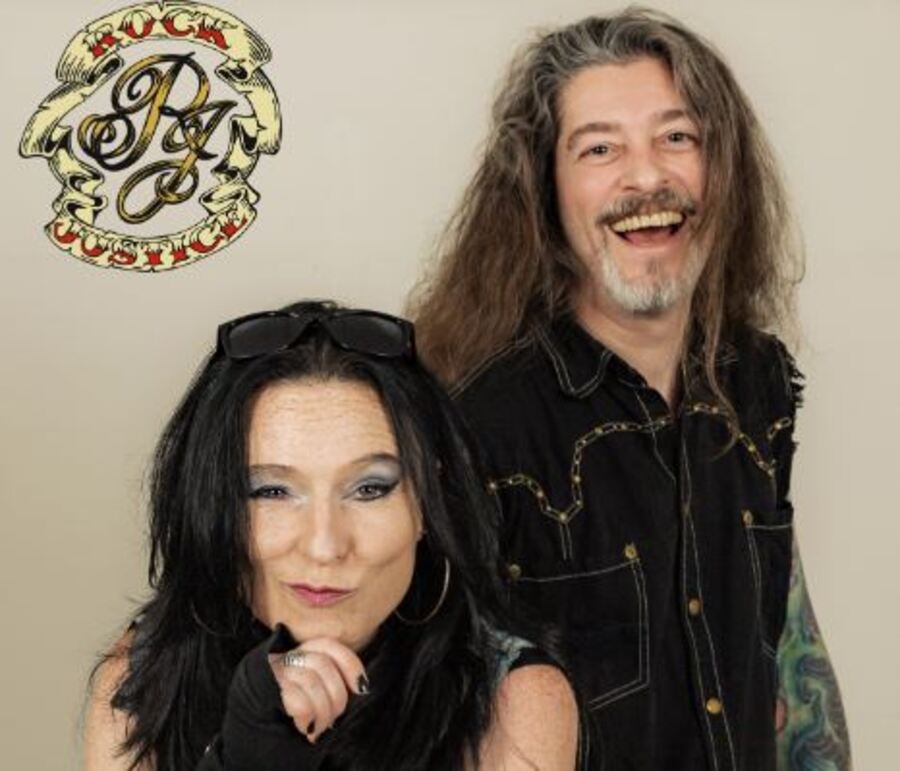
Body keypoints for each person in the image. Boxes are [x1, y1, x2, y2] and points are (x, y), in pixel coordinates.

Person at [409, 9, 850, 770]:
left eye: (677, 137)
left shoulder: (757, 380)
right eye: (600, 148)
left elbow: (790, 649)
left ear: (723, 166)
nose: (646, 178)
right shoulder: (478, 425)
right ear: (545, 188)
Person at [83, 301, 585, 770]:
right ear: (213, 503)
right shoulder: (140, 682)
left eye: (369, 489)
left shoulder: (516, 701)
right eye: (272, 491)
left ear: (428, 502)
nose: (324, 546)